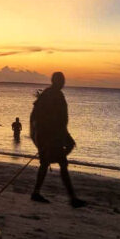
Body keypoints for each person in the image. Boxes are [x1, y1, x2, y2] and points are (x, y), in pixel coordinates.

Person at [29, 72, 86, 207]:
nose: (63, 82)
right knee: (60, 164)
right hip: (50, 134)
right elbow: (41, 117)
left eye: (63, 80)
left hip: (57, 133)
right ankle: (71, 198)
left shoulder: (54, 94)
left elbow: (59, 118)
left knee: (57, 159)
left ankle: (37, 191)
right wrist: (44, 136)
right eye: (61, 80)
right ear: (56, 81)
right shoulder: (50, 95)